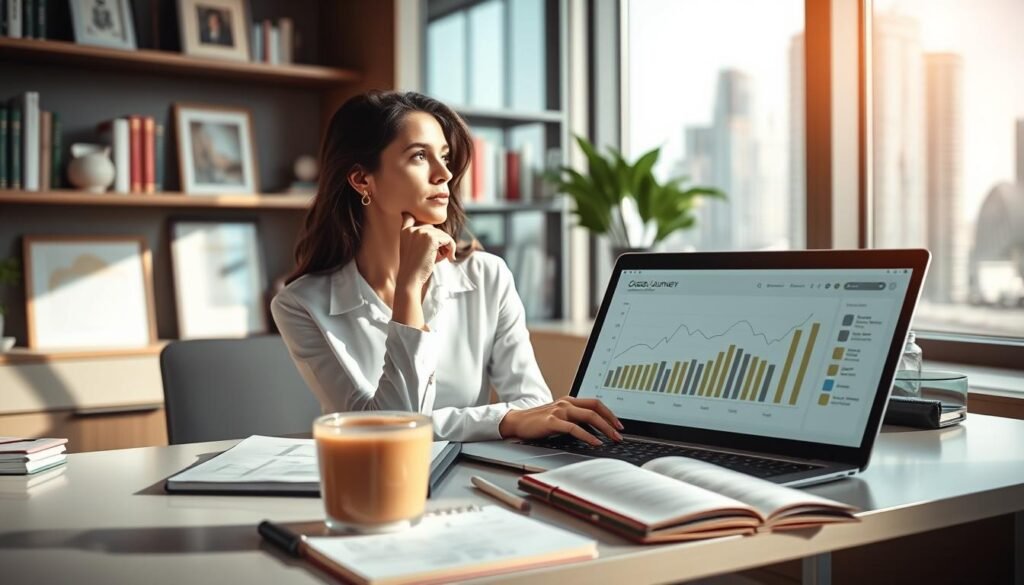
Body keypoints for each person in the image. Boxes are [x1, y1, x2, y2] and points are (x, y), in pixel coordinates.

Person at [271, 91, 623, 444]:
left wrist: (506, 419)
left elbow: (535, 404)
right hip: (376, 484)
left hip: (478, 478)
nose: (444, 174)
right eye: (419, 156)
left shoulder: (487, 276)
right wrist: (408, 290)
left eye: (444, 156)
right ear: (362, 180)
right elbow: (383, 434)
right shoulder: (300, 305)